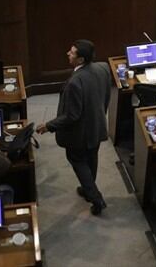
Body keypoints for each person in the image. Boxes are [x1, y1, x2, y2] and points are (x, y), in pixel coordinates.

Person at [36, 40, 110, 216]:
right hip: (97, 126)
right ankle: (87, 189)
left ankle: (95, 197)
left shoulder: (75, 83)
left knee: (78, 161)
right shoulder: (103, 68)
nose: (67, 54)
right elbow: (106, 96)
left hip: (80, 135)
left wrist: (48, 125)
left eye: (72, 52)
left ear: (81, 59)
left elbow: (71, 116)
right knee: (92, 158)